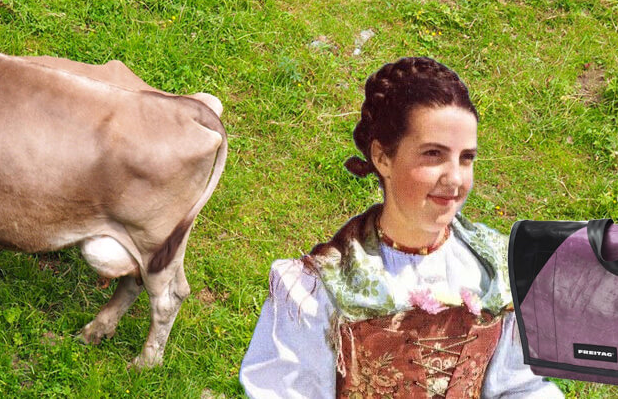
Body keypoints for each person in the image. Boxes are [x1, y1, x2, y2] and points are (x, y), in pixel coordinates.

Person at [239, 57, 563, 398]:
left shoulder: (497, 270)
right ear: (382, 158)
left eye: (466, 158)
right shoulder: (319, 287)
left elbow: (521, 388)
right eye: (433, 154)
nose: (454, 178)